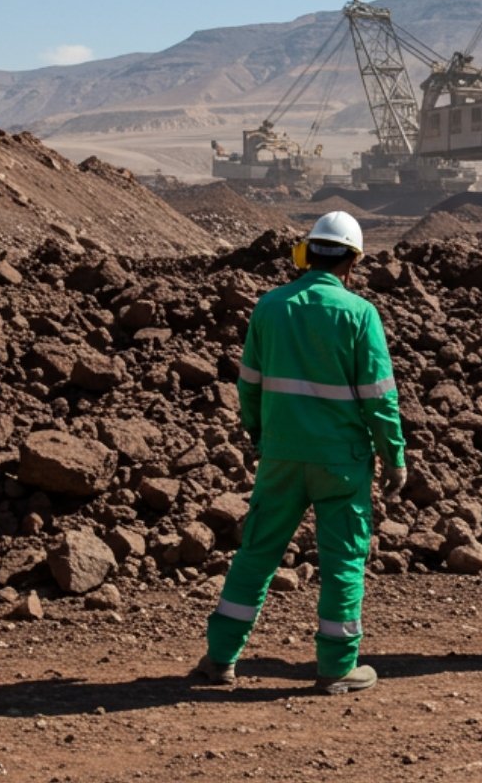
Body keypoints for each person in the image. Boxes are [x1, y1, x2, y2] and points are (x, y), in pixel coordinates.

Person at [192, 211, 407, 694]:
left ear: (306, 254)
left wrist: (259, 434)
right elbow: (379, 396)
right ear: (353, 261)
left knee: (257, 554)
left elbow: (248, 384)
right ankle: (336, 666)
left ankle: (220, 657)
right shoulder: (359, 314)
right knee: (344, 561)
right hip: (342, 462)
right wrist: (393, 456)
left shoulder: (270, 307)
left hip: (282, 455)